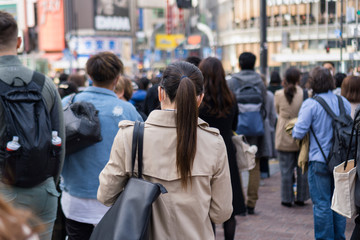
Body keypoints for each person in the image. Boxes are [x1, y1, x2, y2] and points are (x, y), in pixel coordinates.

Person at [97, 61, 233, 240]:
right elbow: (221, 213)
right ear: (200, 98)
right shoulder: (213, 142)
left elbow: (105, 195)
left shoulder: (130, 136)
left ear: (161, 93)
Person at [60, 52, 142, 240]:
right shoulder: (128, 111)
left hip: (74, 197)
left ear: (90, 76)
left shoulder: (67, 103)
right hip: (114, 201)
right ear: (117, 78)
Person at [0, 11, 65, 240]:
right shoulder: (44, 83)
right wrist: (49, 182)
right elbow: (60, 142)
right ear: (19, 41)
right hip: (43, 189)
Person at [292, 66, 350, 240]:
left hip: (319, 159)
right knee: (339, 204)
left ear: (313, 83)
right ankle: (339, 237)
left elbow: (298, 132)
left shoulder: (311, 104)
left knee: (322, 204)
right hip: (342, 160)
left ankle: (325, 238)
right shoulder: (343, 102)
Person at [198, 57, 245, 240]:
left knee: (206, 201)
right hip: (226, 151)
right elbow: (235, 125)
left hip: (202, 151)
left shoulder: (198, 102)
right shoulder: (230, 98)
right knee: (228, 202)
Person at [228, 52, 267, 214]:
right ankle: (251, 203)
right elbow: (264, 104)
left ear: (239, 64)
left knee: (236, 164)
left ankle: (239, 202)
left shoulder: (232, 82)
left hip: (237, 128)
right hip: (256, 128)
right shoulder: (260, 81)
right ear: (254, 64)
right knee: (254, 164)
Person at [274, 67, 309, 207]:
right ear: (299, 79)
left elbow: (277, 110)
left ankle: (286, 199)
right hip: (300, 132)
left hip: (283, 132)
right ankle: (301, 197)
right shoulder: (305, 93)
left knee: (285, 170)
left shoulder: (278, 94)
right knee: (301, 169)